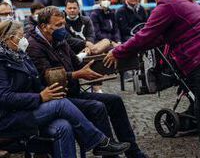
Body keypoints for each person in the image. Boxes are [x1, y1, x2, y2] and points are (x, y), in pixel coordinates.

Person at [27, 6, 148, 158]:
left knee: (115, 101)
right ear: (44, 27)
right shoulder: (34, 46)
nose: (62, 28)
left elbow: (76, 63)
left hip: (73, 93)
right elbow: (47, 76)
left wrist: (98, 71)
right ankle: (108, 152)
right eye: (58, 25)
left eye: (63, 24)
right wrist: (78, 74)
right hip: (56, 98)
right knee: (97, 107)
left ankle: (134, 152)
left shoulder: (60, 39)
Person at [0, 20, 131, 158]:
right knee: (61, 104)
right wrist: (40, 97)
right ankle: (100, 142)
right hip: (10, 117)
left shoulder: (20, 55)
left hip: (29, 108)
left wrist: (49, 92)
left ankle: (101, 145)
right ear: (9, 38)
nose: (24, 39)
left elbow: (35, 82)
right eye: (21, 36)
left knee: (64, 126)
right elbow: (4, 97)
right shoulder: (3, 60)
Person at [104, 0, 200, 137]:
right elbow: (158, 37)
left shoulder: (167, 5)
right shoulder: (183, 0)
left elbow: (144, 36)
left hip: (194, 59)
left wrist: (117, 51)